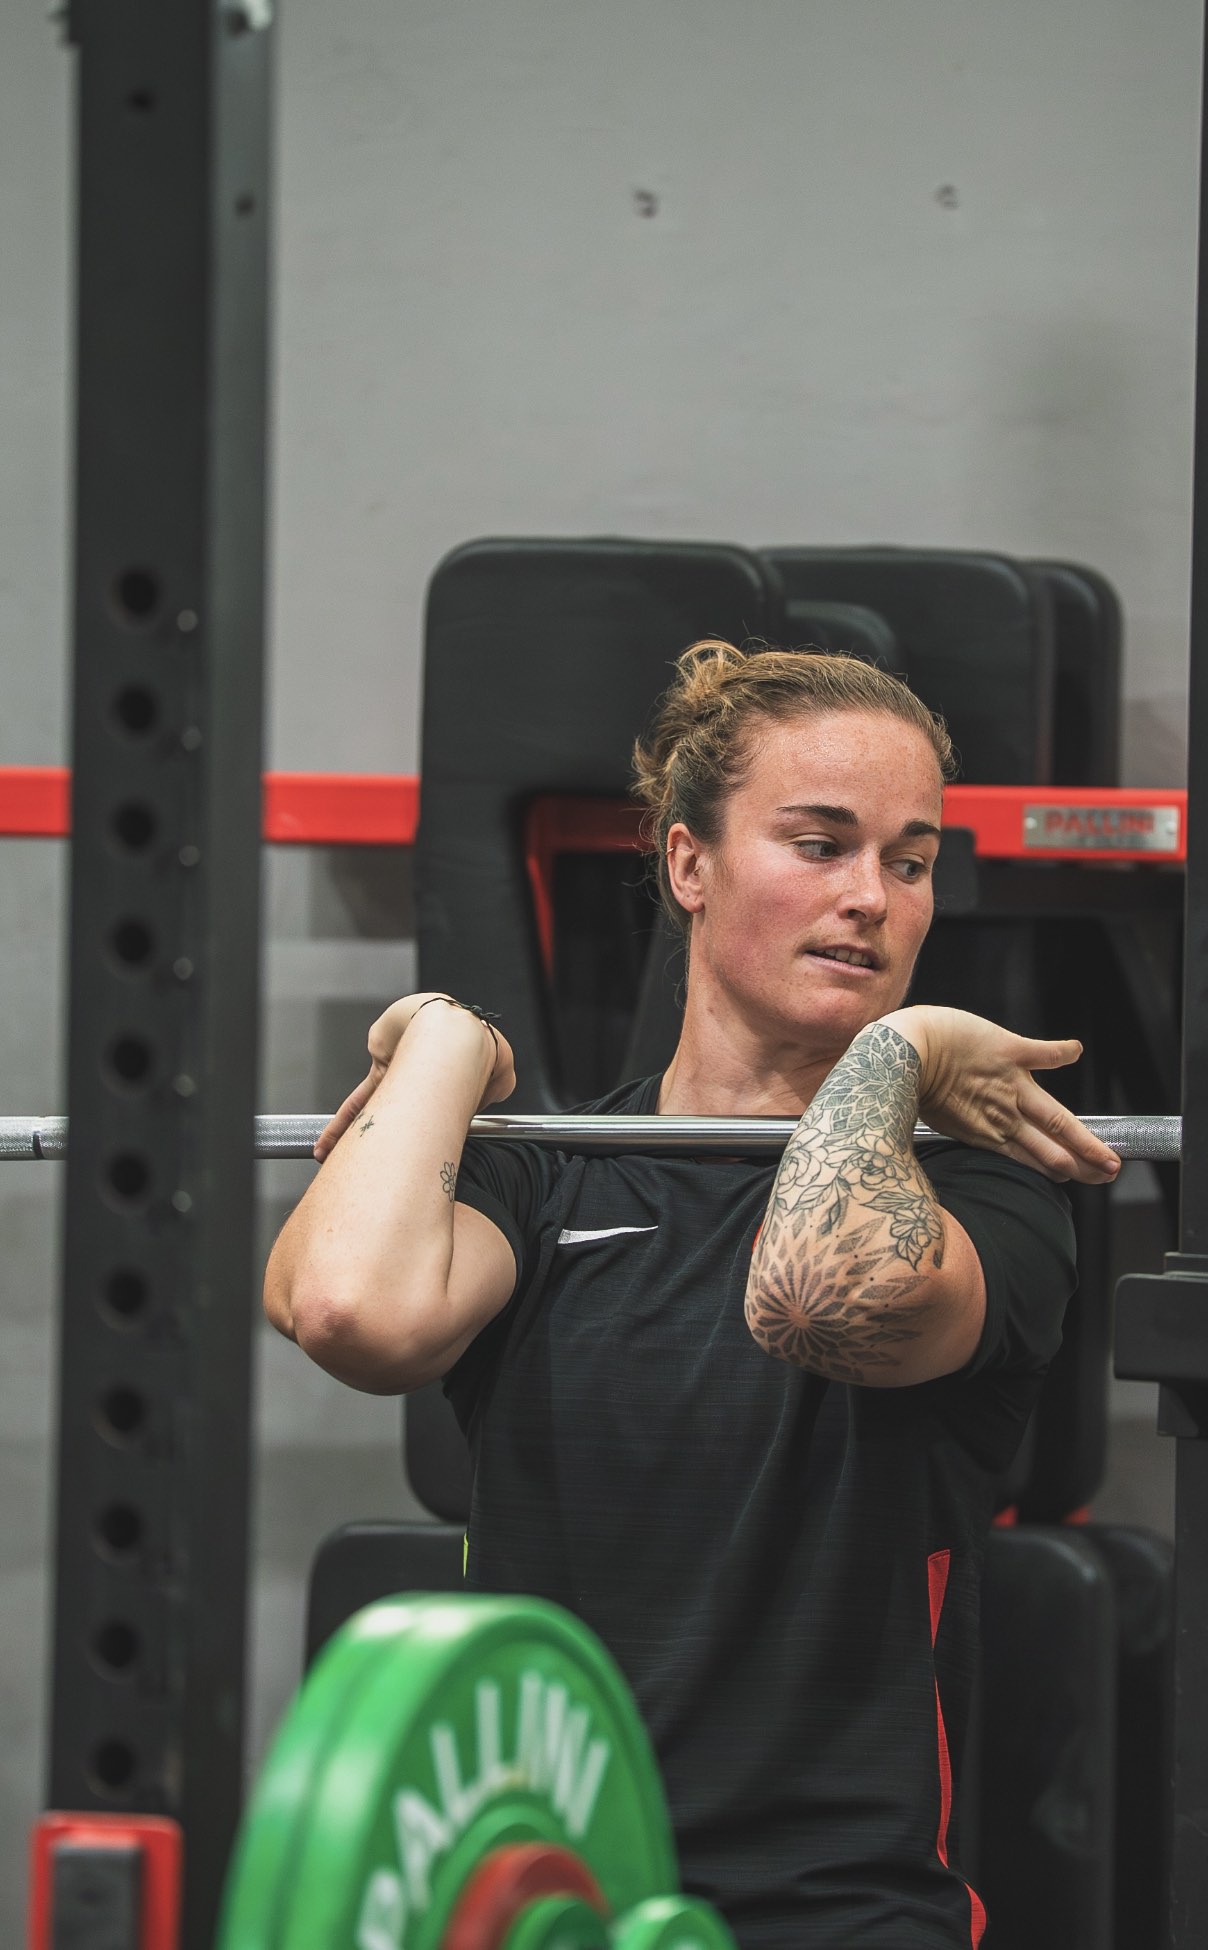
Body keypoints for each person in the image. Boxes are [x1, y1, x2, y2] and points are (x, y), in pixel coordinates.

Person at [263, 640, 1121, 1950]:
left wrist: (894, 1050)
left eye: (908, 859)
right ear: (686, 864)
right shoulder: (551, 1178)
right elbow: (345, 1308)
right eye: (819, 842)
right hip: (550, 1898)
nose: (872, 899)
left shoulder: (990, 1197)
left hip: (834, 1917)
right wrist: (447, 1038)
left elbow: (818, 1292)